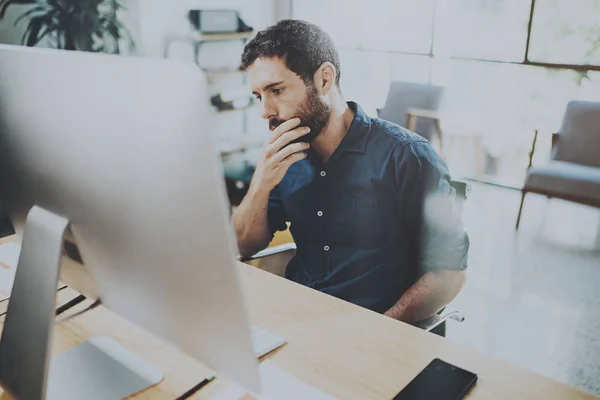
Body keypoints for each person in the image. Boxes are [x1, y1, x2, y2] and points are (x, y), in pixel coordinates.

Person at [232, 19, 469, 326]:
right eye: (258, 97)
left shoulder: (407, 157)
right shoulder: (283, 157)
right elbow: (245, 244)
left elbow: (451, 273)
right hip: (298, 319)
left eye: (276, 90)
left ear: (325, 79)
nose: (265, 111)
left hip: (376, 327)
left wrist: (378, 330)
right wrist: (261, 184)